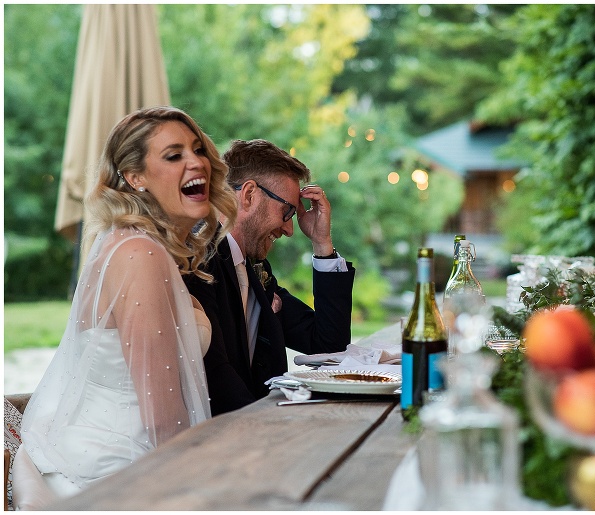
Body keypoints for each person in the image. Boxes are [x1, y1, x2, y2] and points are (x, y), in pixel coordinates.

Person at [11, 106, 238, 509]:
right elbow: (163, 420)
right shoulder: (139, 254)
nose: (196, 162)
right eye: (174, 155)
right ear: (135, 178)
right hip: (115, 470)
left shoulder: (139, 245)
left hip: (122, 452)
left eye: (198, 149)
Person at [184, 139, 355, 415]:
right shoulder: (199, 257)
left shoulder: (255, 267)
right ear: (249, 195)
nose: (290, 229)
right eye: (287, 212)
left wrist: (322, 244)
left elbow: (329, 346)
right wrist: (266, 424)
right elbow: (214, 372)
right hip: (226, 430)